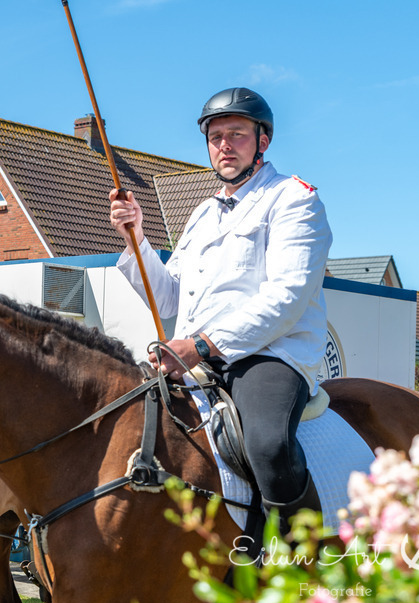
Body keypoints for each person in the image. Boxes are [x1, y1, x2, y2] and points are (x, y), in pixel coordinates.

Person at [109, 87, 332, 533]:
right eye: (215, 137)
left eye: (237, 134)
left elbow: (287, 296)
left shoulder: (294, 199)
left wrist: (203, 346)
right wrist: (135, 237)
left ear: (262, 141)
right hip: (192, 359)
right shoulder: (202, 214)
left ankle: (300, 558)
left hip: (270, 356)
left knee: (268, 444)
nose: (224, 145)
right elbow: (169, 298)